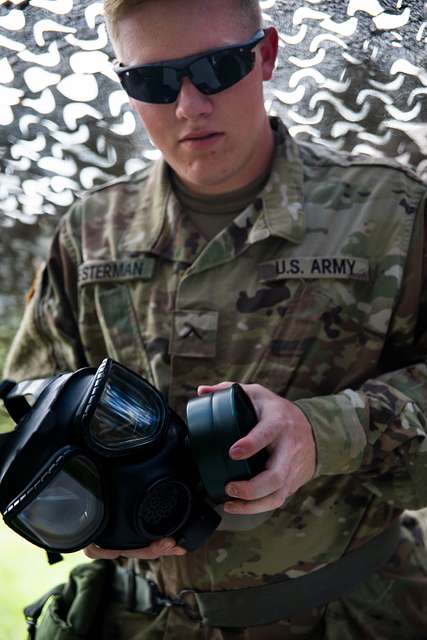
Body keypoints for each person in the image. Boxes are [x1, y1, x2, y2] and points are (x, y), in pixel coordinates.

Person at [4, 0, 427, 638]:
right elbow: (29, 413)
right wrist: (89, 509)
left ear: (265, 56)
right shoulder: (90, 234)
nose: (189, 105)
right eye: (152, 81)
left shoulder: (392, 214)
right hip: (135, 620)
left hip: (347, 615)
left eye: (217, 67)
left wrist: (326, 432)